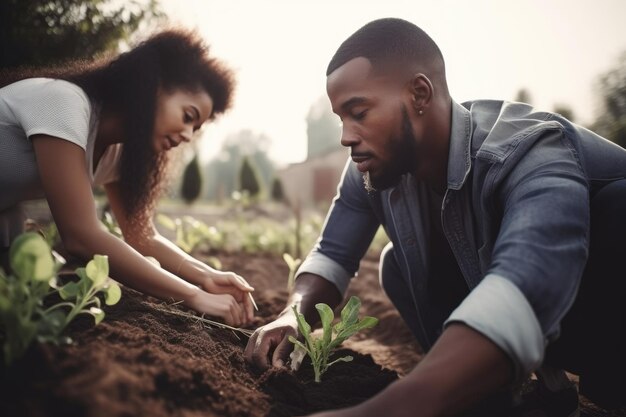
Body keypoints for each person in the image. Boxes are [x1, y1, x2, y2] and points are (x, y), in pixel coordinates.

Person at [245, 18, 626, 416]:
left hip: (587, 299)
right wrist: (293, 316)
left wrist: (394, 408)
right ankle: (498, 397)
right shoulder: (373, 165)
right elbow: (332, 255)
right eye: (341, 117)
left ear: (419, 93)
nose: (346, 135)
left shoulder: (526, 151)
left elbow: (529, 280)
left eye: (358, 112)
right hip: (527, 308)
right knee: (397, 264)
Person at [0, 29, 255, 327]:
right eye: (188, 116)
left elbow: (141, 236)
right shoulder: (64, 102)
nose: (187, 136)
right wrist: (194, 296)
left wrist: (207, 276)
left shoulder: (115, 153)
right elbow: (81, 235)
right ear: (152, 88)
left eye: (195, 128)